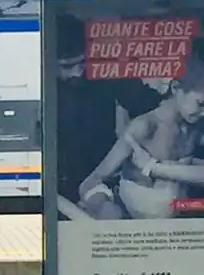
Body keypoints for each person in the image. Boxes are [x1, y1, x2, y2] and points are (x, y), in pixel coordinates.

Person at [54, 13, 163, 210]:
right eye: (67, 66)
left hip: (103, 176)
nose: (77, 72)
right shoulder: (40, 85)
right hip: (57, 181)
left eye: (82, 62)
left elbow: (147, 103)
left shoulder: (103, 69)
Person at [78, 54, 204, 220]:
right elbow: (89, 183)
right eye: (201, 104)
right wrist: (105, 208)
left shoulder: (196, 126)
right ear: (175, 88)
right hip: (133, 224)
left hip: (176, 222)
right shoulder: (145, 126)